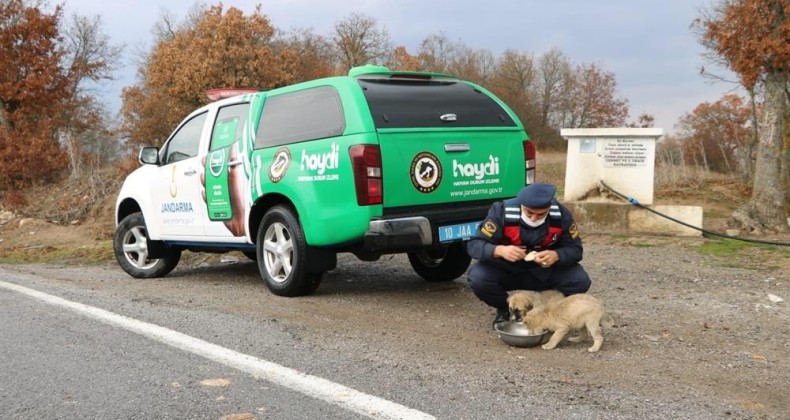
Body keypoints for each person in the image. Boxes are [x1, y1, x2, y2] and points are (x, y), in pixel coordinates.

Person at [466, 183, 591, 328]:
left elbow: (575, 249)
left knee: (580, 280)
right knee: (478, 277)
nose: (533, 218)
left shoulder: (561, 215)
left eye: (540, 214)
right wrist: (499, 250)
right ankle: (506, 309)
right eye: (529, 212)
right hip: (507, 270)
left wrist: (557, 255)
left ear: (549, 208)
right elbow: (474, 245)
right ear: (521, 205)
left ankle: (550, 311)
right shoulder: (501, 211)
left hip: (544, 272)